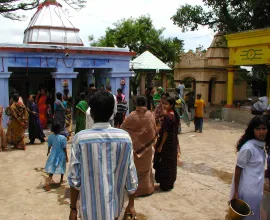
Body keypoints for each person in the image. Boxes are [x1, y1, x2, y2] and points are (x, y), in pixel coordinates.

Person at [68, 90, 138, 220]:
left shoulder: (80, 139)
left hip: (89, 211)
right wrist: (131, 204)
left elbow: (74, 178)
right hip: (115, 210)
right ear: (112, 112)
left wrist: (73, 208)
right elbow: (131, 175)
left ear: (91, 113)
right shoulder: (124, 138)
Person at [230, 116, 268, 220]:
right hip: (247, 191)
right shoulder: (248, 148)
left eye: (264, 128)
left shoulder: (260, 146)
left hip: (257, 189)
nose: (261, 132)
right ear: (252, 130)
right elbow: (238, 169)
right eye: (258, 129)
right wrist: (236, 192)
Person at [121, 96, 157, 197]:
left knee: (135, 170)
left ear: (136, 104)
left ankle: (135, 190)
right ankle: (147, 189)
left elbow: (123, 128)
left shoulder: (132, 115)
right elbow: (153, 130)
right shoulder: (150, 115)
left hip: (134, 148)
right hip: (147, 147)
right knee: (146, 169)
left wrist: (134, 137)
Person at [154, 96, 180, 191]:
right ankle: (169, 183)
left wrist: (161, 145)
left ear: (171, 105)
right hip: (172, 143)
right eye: (164, 103)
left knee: (164, 163)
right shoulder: (173, 115)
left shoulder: (169, 117)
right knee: (171, 163)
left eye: (166, 104)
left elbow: (166, 132)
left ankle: (164, 185)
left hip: (167, 144)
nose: (164, 105)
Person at [45, 122, 68, 191]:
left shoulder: (50, 137)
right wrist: (66, 156)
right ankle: (61, 180)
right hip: (61, 154)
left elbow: (49, 145)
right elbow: (64, 148)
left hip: (53, 153)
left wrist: (48, 151)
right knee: (62, 166)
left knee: (52, 168)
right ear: (59, 129)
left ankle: (48, 181)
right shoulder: (63, 138)